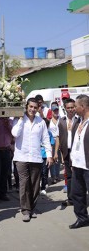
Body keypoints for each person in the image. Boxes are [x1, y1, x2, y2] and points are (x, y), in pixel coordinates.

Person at [12, 98, 53, 222]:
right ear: (26, 106)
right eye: (30, 107)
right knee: (24, 184)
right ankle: (25, 210)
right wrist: (20, 119)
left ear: (38, 108)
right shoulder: (18, 119)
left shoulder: (41, 121)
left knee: (35, 185)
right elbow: (14, 134)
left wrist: (49, 155)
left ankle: (32, 208)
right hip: (21, 157)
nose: (32, 109)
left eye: (35, 107)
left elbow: (45, 138)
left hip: (36, 157)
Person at [69, 94, 89, 229]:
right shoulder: (78, 122)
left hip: (88, 166)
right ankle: (82, 218)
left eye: (76, 106)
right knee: (76, 193)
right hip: (77, 165)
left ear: (83, 106)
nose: (74, 109)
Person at [55, 98, 77, 209]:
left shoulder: (79, 120)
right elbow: (58, 137)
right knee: (69, 177)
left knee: (78, 176)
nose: (71, 110)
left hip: (78, 153)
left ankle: (79, 198)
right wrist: (57, 153)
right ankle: (71, 199)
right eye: (68, 108)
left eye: (72, 107)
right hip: (66, 153)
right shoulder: (61, 121)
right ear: (65, 109)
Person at [40, 118, 55, 195]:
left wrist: (51, 156)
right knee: (38, 173)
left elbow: (51, 145)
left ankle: (43, 187)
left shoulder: (49, 134)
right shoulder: (37, 132)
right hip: (37, 156)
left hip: (46, 156)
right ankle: (37, 186)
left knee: (45, 172)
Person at [49, 102, 61, 184]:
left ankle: (57, 175)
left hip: (60, 141)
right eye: (54, 111)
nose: (56, 112)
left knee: (58, 159)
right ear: (51, 112)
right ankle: (53, 177)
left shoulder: (61, 119)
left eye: (57, 110)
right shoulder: (49, 121)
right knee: (52, 159)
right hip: (51, 142)